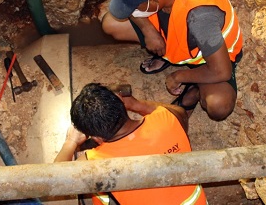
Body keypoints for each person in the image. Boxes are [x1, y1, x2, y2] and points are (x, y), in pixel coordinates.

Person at [101, 0, 243, 121]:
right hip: (181, 38)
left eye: (135, 7)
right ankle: (169, 55)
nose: (132, 11)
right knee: (110, 24)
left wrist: (178, 76)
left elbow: (221, 71)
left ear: (154, 0)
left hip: (210, 57)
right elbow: (135, 6)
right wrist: (149, 31)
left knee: (218, 106)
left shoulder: (201, 16)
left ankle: (195, 88)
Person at [54, 83, 208, 205]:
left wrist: (71, 142)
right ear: (121, 101)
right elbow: (180, 112)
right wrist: (137, 105)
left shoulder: (96, 163)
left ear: (96, 138)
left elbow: (56, 181)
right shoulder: (168, 120)